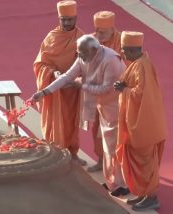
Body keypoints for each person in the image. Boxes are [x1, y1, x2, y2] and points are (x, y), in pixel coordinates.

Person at [29, 35, 129, 197]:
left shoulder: (111, 60)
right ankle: (113, 182)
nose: (79, 57)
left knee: (115, 147)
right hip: (104, 107)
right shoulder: (85, 56)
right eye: (79, 53)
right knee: (108, 146)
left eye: (82, 53)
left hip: (118, 107)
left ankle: (122, 184)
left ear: (94, 50)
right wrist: (44, 92)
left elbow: (106, 88)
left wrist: (81, 84)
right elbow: (67, 76)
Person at [114, 31, 166, 211]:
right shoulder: (137, 63)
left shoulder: (143, 66)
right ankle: (143, 194)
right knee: (139, 161)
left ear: (134, 49)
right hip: (135, 122)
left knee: (145, 164)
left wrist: (124, 89)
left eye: (125, 51)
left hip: (144, 126)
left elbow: (142, 95)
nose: (123, 54)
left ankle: (151, 197)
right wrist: (124, 88)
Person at [33, 0, 86, 165]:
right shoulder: (52, 37)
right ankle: (54, 153)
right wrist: (52, 73)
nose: (66, 23)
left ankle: (72, 153)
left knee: (71, 121)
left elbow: (87, 62)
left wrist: (75, 79)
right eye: (63, 19)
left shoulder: (81, 38)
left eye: (69, 19)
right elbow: (40, 63)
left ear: (76, 18)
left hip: (73, 89)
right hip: (54, 87)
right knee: (54, 121)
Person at [87, 10, 122, 172]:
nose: (99, 34)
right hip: (98, 94)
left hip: (116, 96)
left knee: (115, 131)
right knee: (97, 130)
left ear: (111, 29)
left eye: (103, 32)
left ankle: (119, 166)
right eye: (97, 30)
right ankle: (102, 161)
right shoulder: (92, 40)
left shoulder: (123, 41)